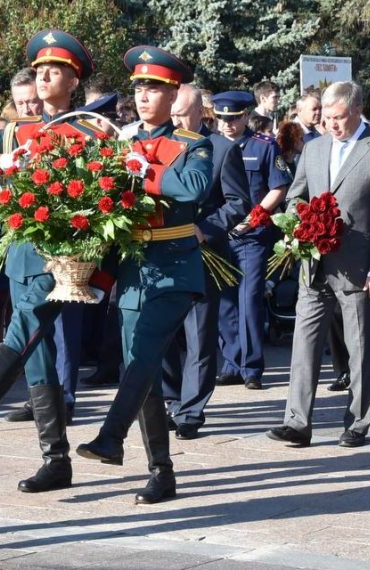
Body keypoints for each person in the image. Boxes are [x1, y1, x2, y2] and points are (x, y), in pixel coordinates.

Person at [0, 30, 112, 495]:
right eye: (41, 70)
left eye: (57, 71)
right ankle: (56, 460)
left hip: (63, 259)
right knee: (38, 357)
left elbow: (109, 195)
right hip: (22, 255)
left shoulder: (92, 131)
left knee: (23, 334)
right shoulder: (16, 132)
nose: (45, 76)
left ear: (74, 82)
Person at [76, 46, 212, 505]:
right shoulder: (121, 143)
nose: (144, 95)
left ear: (174, 95)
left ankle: (111, 438)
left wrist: (142, 170)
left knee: (144, 356)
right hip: (134, 271)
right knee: (145, 369)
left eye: (154, 87)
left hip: (175, 269)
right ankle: (161, 471)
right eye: (139, 87)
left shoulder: (195, 144)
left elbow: (191, 188)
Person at [266, 80, 370, 449]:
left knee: (358, 348)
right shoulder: (314, 148)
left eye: (339, 117)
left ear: (357, 111)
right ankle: (297, 422)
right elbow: (296, 197)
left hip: (358, 268)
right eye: (327, 117)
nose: (332, 124)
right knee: (304, 344)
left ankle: (357, 422)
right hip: (314, 266)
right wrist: (300, 223)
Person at [160, 90, 250, 439]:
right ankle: (170, 400)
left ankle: (191, 411)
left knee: (199, 336)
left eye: (184, 114)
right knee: (163, 334)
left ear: (201, 111)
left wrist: (204, 229)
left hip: (203, 255)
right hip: (162, 254)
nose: (178, 120)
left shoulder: (223, 149)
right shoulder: (162, 145)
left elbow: (237, 202)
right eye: (174, 114)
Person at [216, 92, 293, 391]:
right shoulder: (211, 146)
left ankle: (251, 367)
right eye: (222, 118)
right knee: (225, 304)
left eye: (233, 118)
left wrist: (252, 218)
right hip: (221, 235)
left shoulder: (262, 147)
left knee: (248, 301)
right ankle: (231, 362)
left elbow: (278, 188)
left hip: (251, 235)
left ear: (246, 116)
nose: (228, 124)